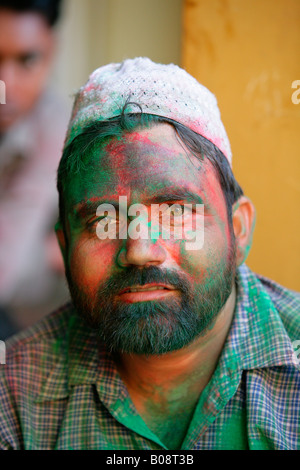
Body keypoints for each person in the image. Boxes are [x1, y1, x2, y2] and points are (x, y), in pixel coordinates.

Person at [0, 57, 299, 450]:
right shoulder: (14, 396)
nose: (140, 251)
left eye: (175, 212)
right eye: (100, 222)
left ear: (238, 230)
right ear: (65, 245)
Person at [0, 0, 69, 339]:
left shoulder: (56, 128)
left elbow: (4, 270)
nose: (6, 84)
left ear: (51, 52)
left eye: (26, 60)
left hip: (31, 332)